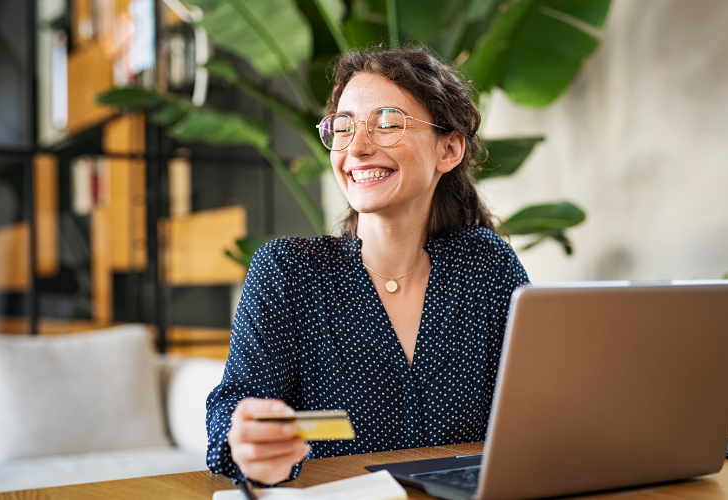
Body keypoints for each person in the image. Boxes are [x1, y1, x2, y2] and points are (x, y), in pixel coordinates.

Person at [206, 47, 530, 486]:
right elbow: (232, 410)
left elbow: (540, 412)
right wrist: (246, 441)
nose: (357, 147)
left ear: (449, 149)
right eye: (343, 127)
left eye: (389, 123)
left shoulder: (487, 266)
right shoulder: (287, 271)